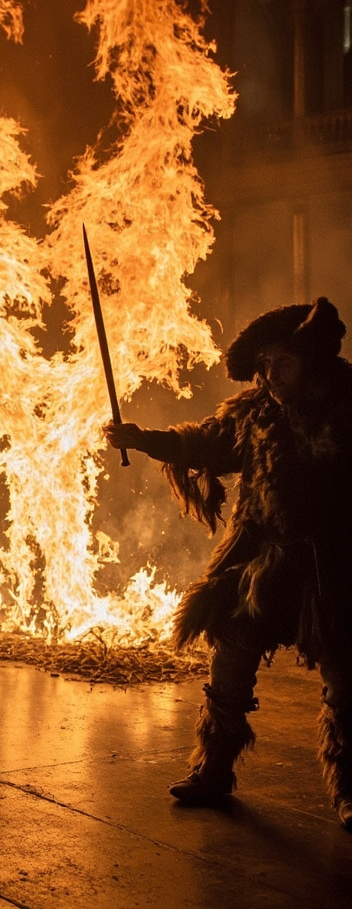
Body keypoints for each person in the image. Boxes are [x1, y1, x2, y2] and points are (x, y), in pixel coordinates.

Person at [105, 296, 352, 830]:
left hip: (333, 568)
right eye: (263, 366)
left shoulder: (347, 406)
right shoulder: (256, 411)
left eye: (281, 363)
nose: (270, 376)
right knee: (230, 659)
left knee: (346, 682)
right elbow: (207, 442)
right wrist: (145, 440)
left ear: (310, 360)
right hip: (263, 563)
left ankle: (351, 789)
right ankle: (213, 771)